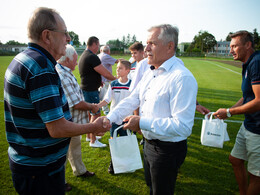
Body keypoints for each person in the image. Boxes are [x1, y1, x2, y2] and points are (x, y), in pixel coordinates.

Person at [4, 7, 110, 195]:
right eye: (64, 33)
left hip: (29, 164)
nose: (68, 39)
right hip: (40, 169)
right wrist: (93, 127)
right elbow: (57, 128)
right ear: (47, 36)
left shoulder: (23, 59)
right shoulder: (41, 67)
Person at [104, 24, 198, 194]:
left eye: (152, 44)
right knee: (151, 186)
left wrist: (142, 122)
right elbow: (133, 98)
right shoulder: (150, 70)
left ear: (170, 46)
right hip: (149, 144)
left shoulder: (182, 78)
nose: (146, 48)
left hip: (167, 150)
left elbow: (183, 126)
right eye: (147, 43)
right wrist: (109, 118)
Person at [213, 31, 260, 195]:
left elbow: (259, 101)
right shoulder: (248, 63)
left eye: (234, 46)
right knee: (235, 159)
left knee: (256, 175)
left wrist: (230, 112)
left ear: (248, 45)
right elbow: (247, 96)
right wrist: (228, 110)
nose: (230, 50)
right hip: (249, 124)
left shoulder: (257, 62)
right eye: (230, 46)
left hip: (258, 130)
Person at [56, 45, 98, 191]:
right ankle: (59, 181)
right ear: (67, 59)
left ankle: (79, 170)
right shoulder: (62, 74)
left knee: (75, 146)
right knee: (62, 153)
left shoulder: (66, 71)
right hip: (66, 122)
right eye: (75, 58)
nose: (77, 61)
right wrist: (92, 106)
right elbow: (76, 103)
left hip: (72, 121)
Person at [78, 36, 116, 147]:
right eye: (98, 45)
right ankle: (93, 141)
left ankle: (89, 136)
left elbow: (90, 73)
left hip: (87, 89)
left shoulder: (84, 55)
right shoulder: (91, 57)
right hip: (90, 90)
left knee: (91, 114)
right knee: (96, 113)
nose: (98, 47)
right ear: (94, 44)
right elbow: (105, 73)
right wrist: (116, 80)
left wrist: (98, 81)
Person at [97, 59, 132, 174]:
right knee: (115, 141)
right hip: (114, 119)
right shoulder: (114, 84)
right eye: (117, 68)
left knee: (126, 141)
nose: (117, 70)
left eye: (120, 68)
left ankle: (126, 164)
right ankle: (113, 164)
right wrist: (98, 106)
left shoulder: (132, 85)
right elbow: (107, 99)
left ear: (127, 70)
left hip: (127, 119)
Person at [98, 45, 118, 115]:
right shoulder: (106, 56)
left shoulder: (98, 56)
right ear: (108, 51)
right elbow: (117, 61)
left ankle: (99, 107)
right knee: (105, 97)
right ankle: (106, 112)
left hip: (100, 79)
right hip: (105, 80)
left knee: (102, 95)